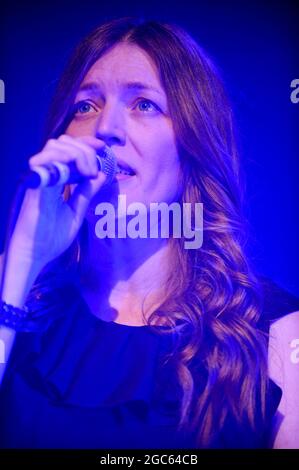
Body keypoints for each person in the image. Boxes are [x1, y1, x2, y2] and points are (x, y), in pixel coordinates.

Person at [0, 17, 298, 449]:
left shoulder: (274, 335)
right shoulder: (9, 285)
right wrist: (23, 259)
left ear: (193, 145)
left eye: (144, 104)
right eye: (86, 105)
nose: (107, 129)